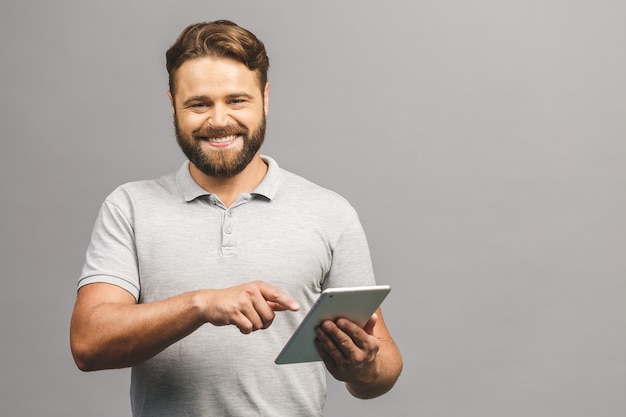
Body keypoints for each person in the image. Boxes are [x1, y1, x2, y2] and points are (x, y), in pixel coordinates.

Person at [70, 19, 402, 416]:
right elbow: (88, 344)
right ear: (173, 103)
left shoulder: (329, 211)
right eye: (199, 103)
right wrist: (201, 304)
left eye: (236, 100)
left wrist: (363, 366)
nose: (219, 120)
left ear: (265, 97)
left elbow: (382, 368)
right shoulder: (129, 207)